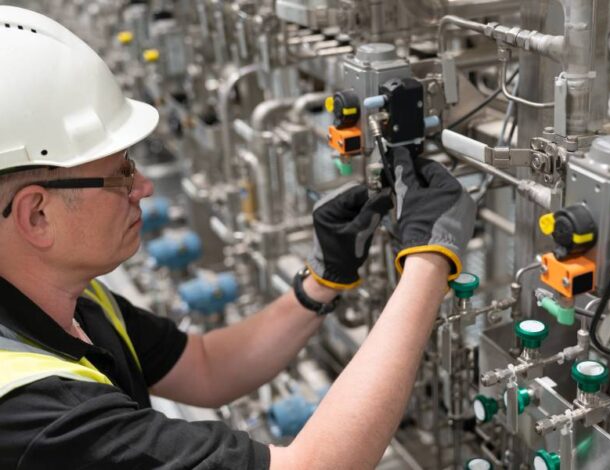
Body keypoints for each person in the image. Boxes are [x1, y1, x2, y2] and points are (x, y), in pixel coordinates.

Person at [0, 6, 476, 469]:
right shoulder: (39, 417)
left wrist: (324, 278)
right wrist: (430, 262)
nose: (142, 187)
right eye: (121, 172)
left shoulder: (66, 297)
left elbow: (205, 369)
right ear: (36, 215)